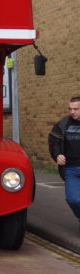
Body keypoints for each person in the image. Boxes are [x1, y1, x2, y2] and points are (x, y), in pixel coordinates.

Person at [48, 95, 80, 230]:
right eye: (70, 109)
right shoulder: (63, 124)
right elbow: (53, 141)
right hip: (71, 169)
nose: (72, 111)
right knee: (73, 199)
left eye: (76, 109)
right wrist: (57, 155)